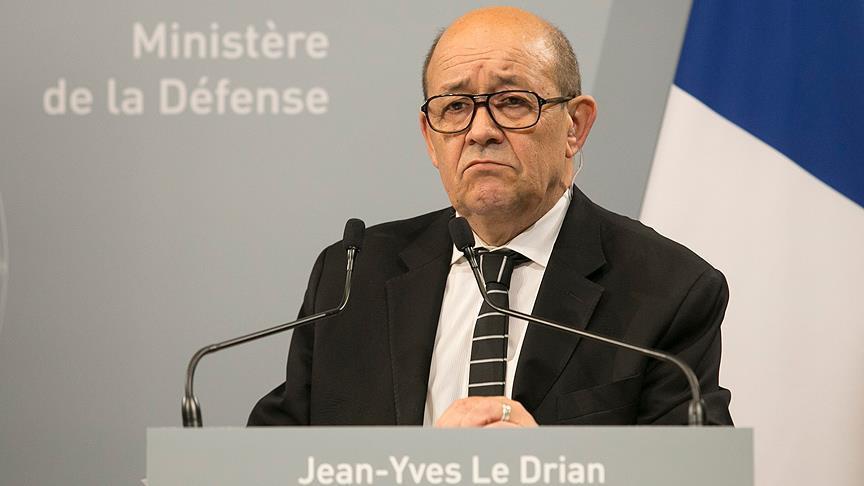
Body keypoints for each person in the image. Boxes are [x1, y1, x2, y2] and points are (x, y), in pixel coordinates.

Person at [249, 6, 733, 427]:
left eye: (512, 102)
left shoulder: (669, 288)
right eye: (456, 107)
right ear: (430, 137)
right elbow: (277, 457)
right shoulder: (353, 278)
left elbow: (692, 470)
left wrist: (550, 471)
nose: (481, 131)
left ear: (575, 125)